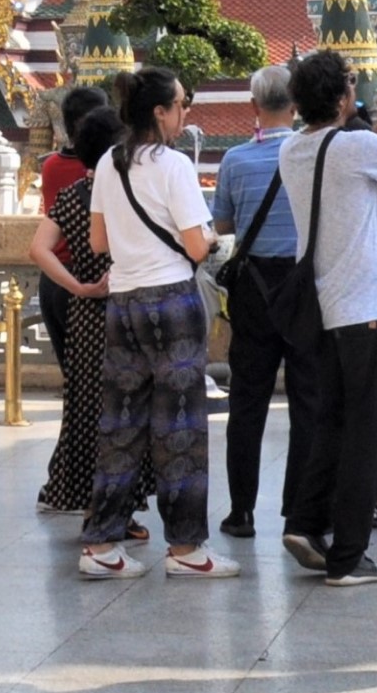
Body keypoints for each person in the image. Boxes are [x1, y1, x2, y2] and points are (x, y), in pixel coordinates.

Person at [78, 66, 235, 582]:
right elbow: (195, 245)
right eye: (180, 105)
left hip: (123, 301)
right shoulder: (172, 165)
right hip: (171, 300)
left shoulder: (108, 162)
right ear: (159, 112)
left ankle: (101, 543)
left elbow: (99, 243)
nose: (184, 114)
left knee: (120, 423)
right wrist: (213, 240)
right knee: (181, 426)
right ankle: (186, 547)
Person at [273, 48, 377, 585]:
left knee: (330, 420)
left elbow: (348, 162)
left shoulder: (294, 149)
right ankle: (349, 555)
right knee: (368, 431)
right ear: (341, 97)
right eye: (351, 86)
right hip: (368, 307)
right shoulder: (358, 147)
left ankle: (307, 523)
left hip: (325, 309)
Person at [32, 88, 135, 519]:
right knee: (125, 408)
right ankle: (115, 506)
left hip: (84, 312)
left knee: (86, 403)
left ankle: (81, 493)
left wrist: (78, 286)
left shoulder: (70, 192)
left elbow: (38, 249)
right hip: (125, 311)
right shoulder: (125, 195)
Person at [210, 65, 304, 538]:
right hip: (303, 287)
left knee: (248, 402)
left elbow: (222, 225)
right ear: (296, 106)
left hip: (253, 289)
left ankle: (241, 510)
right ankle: (297, 510)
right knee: (307, 399)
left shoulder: (235, 159)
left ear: (254, 107)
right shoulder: (311, 155)